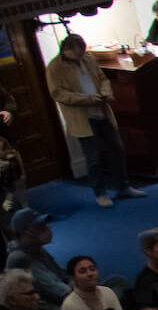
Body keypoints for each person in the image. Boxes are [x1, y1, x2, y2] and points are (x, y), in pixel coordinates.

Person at [45, 35, 143, 208]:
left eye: (82, 52)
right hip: (82, 117)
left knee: (117, 150)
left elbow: (102, 78)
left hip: (102, 110)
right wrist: (86, 99)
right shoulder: (54, 67)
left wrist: (104, 92)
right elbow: (58, 94)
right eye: (76, 54)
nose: (80, 56)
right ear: (66, 51)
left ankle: (123, 186)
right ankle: (101, 193)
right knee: (93, 158)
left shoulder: (88, 58)